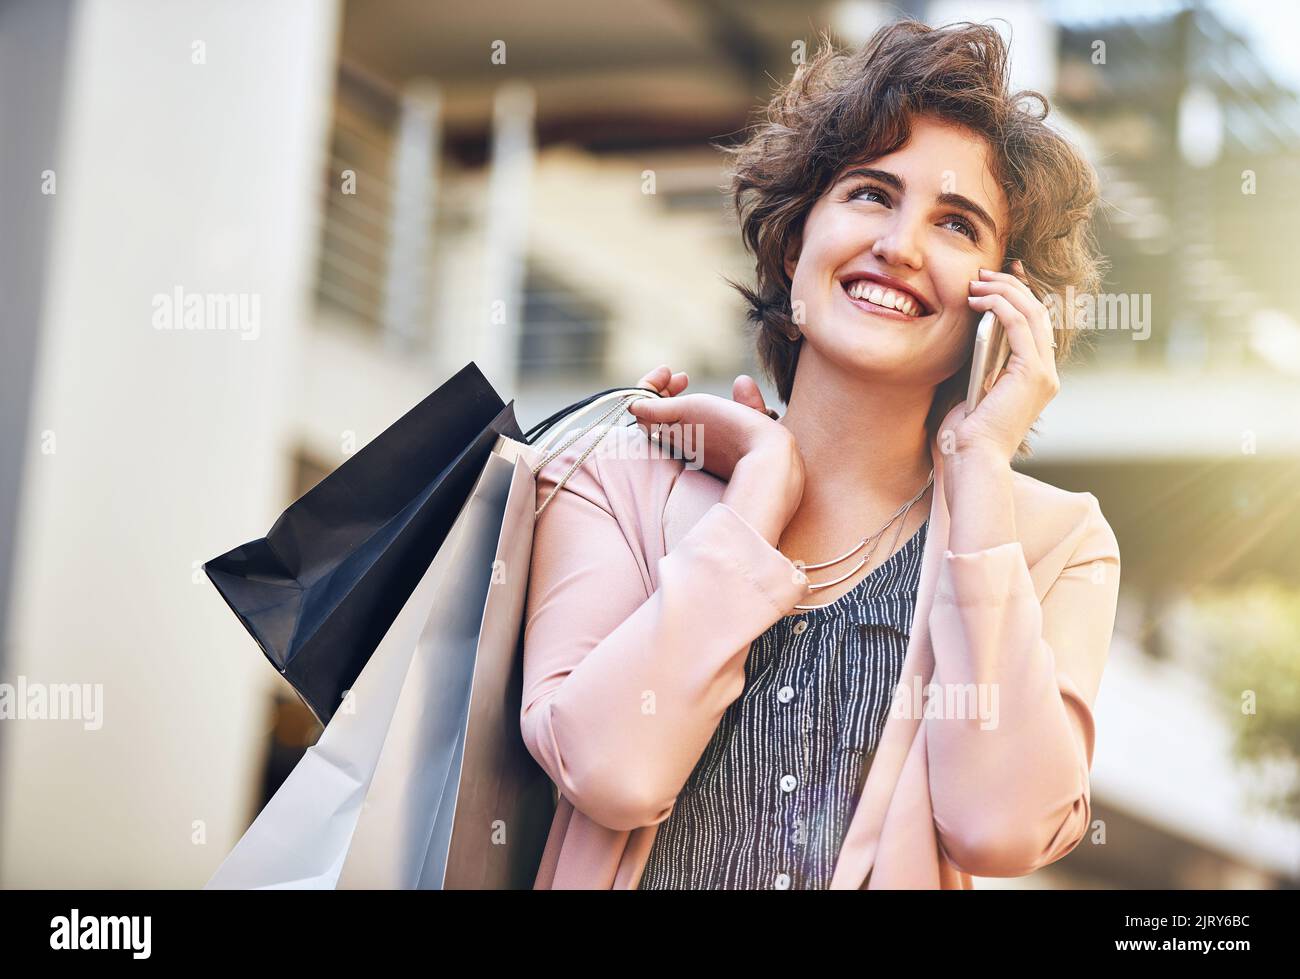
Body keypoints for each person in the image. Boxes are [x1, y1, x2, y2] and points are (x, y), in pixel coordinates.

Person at [519, 19, 1121, 889]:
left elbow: (1001, 829)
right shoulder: (619, 480)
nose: (901, 247)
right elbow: (613, 772)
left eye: (958, 224)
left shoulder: (1057, 543)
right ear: (797, 238)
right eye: (872, 194)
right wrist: (758, 494)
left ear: (1005, 299)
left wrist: (981, 465)